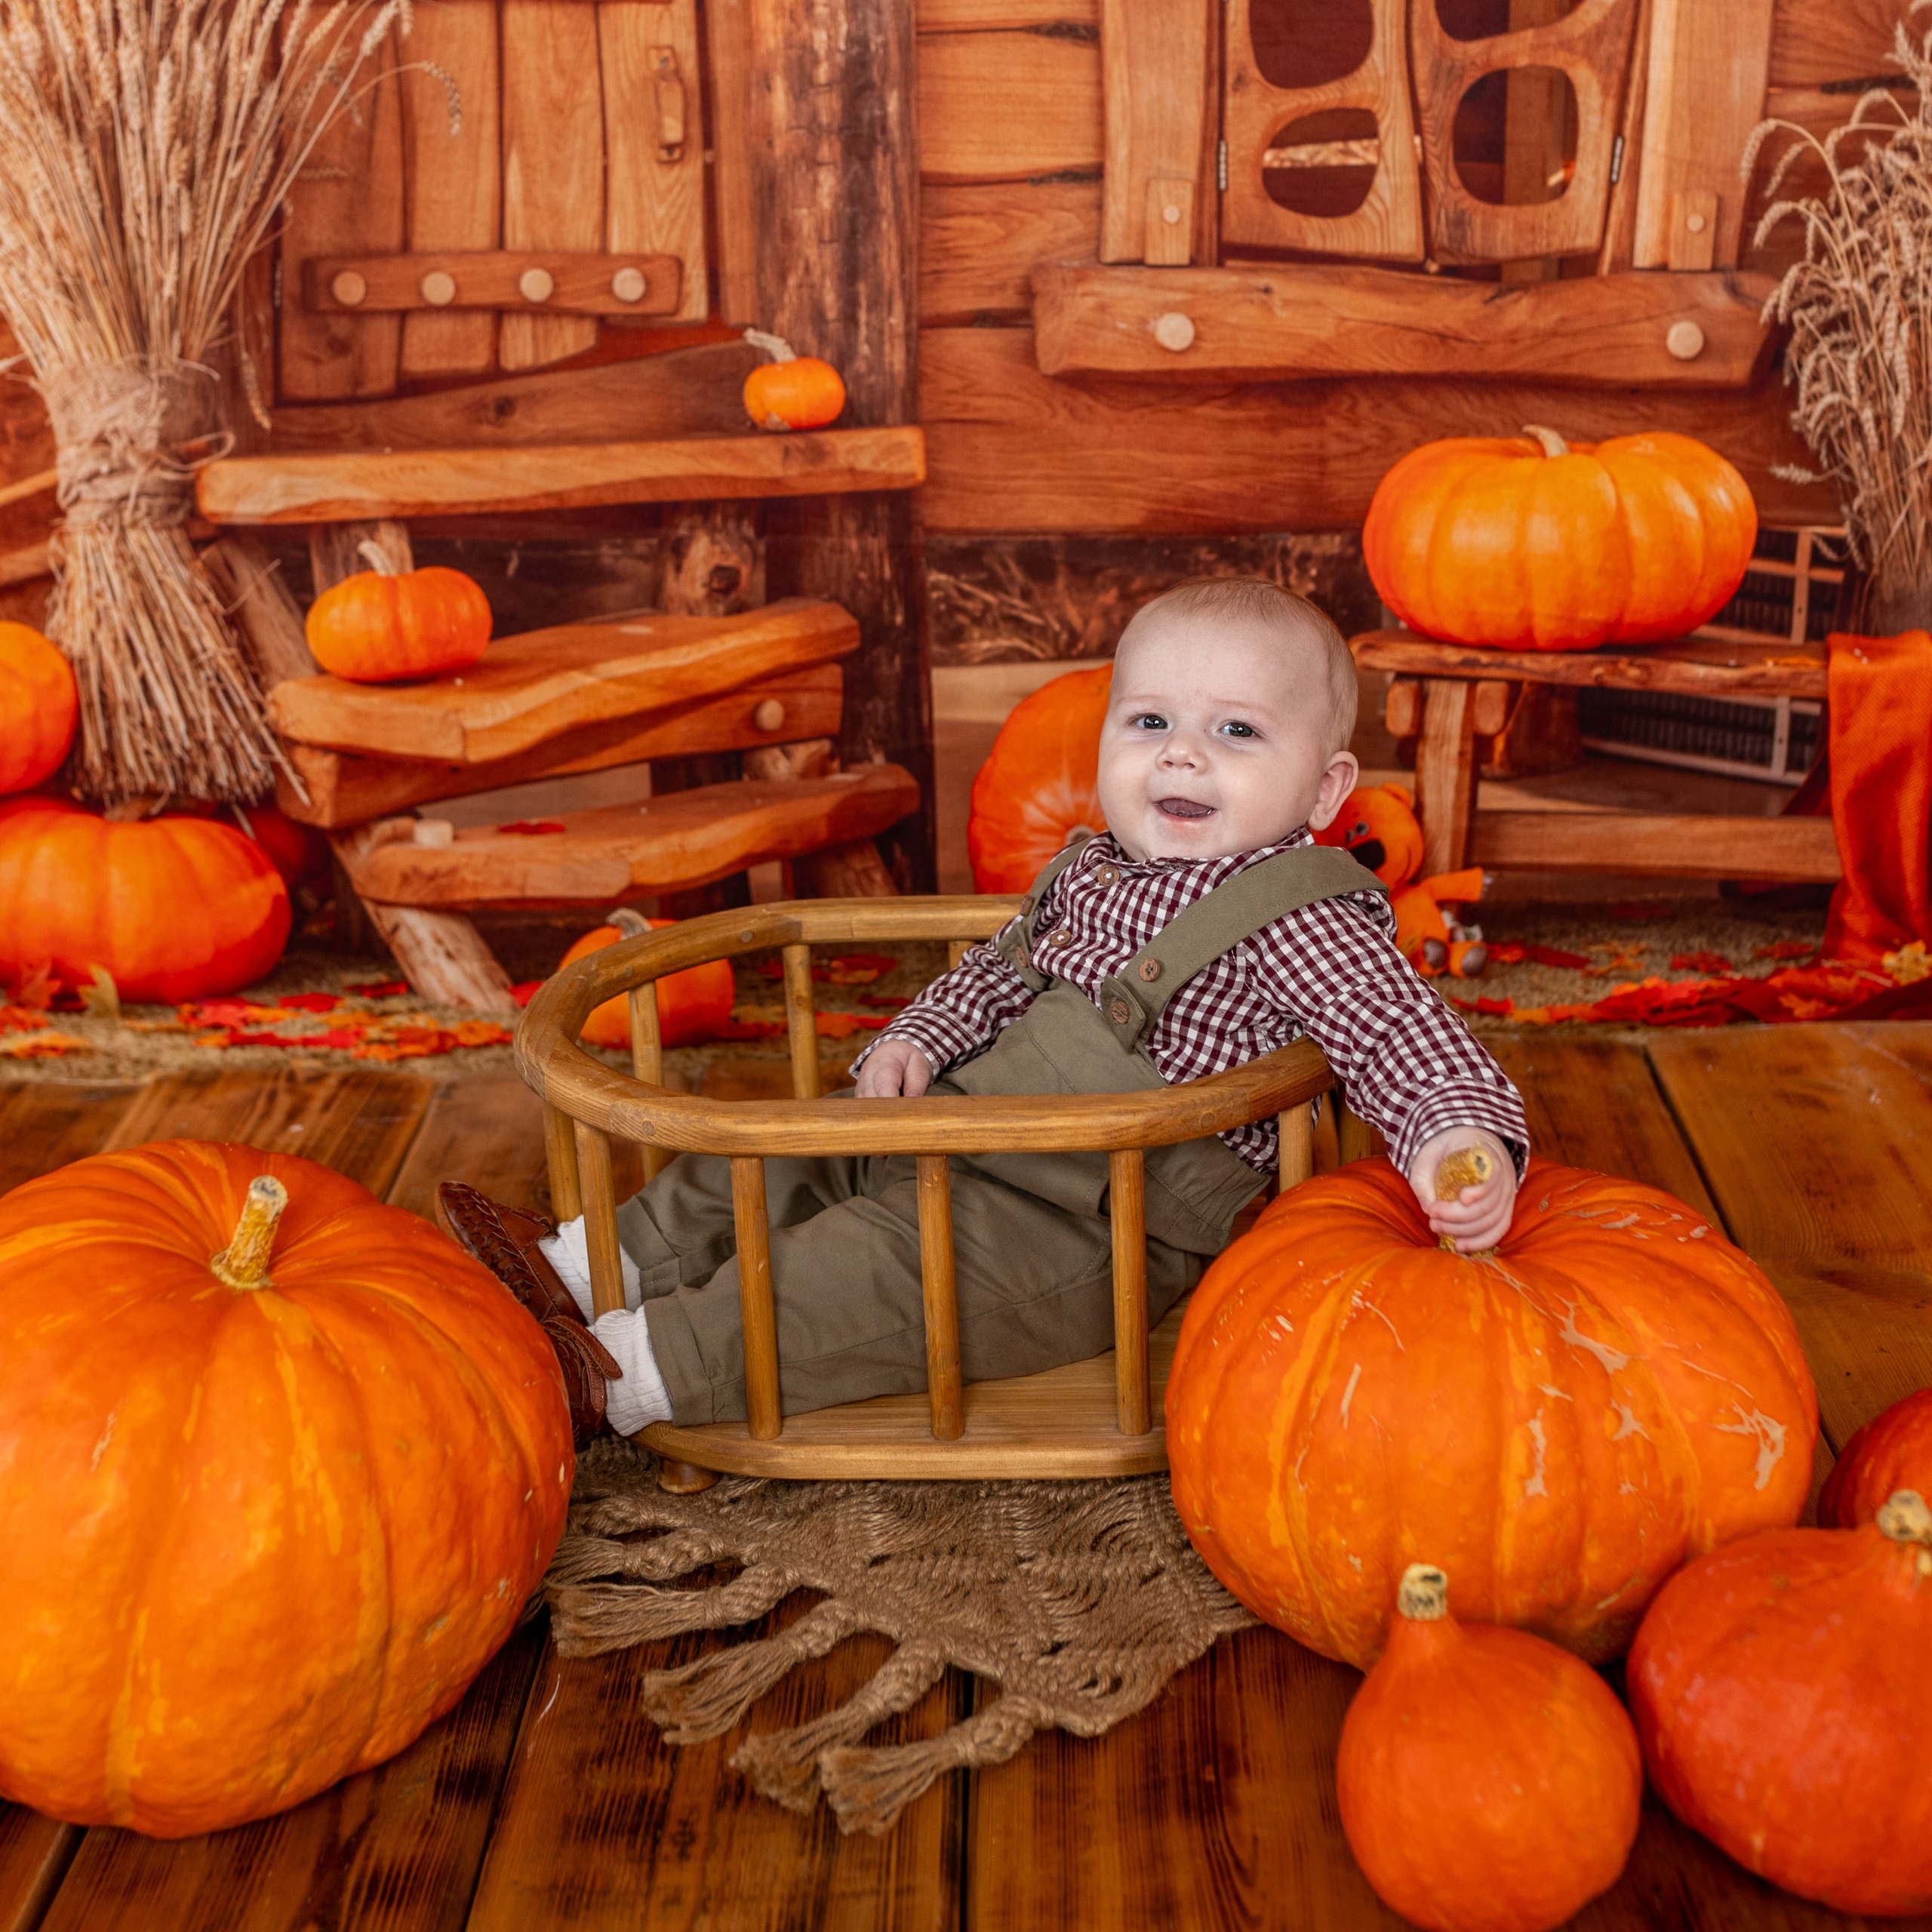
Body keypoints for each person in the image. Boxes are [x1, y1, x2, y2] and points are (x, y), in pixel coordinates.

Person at [440, 578, 1528, 1443]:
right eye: (1149, 720)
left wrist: (1456, 1139)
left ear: (1328, 791)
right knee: (791, 1155)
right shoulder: (1095, 870)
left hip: (1086, 1221)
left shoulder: (1302, 913)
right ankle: (591, 1266)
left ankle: (632, 1370)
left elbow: (1398, 1034)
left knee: (867, 1275)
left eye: (1238, 733)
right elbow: (999, 974)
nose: (1182, 753)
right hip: (969, 1123)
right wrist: (920, 1037)